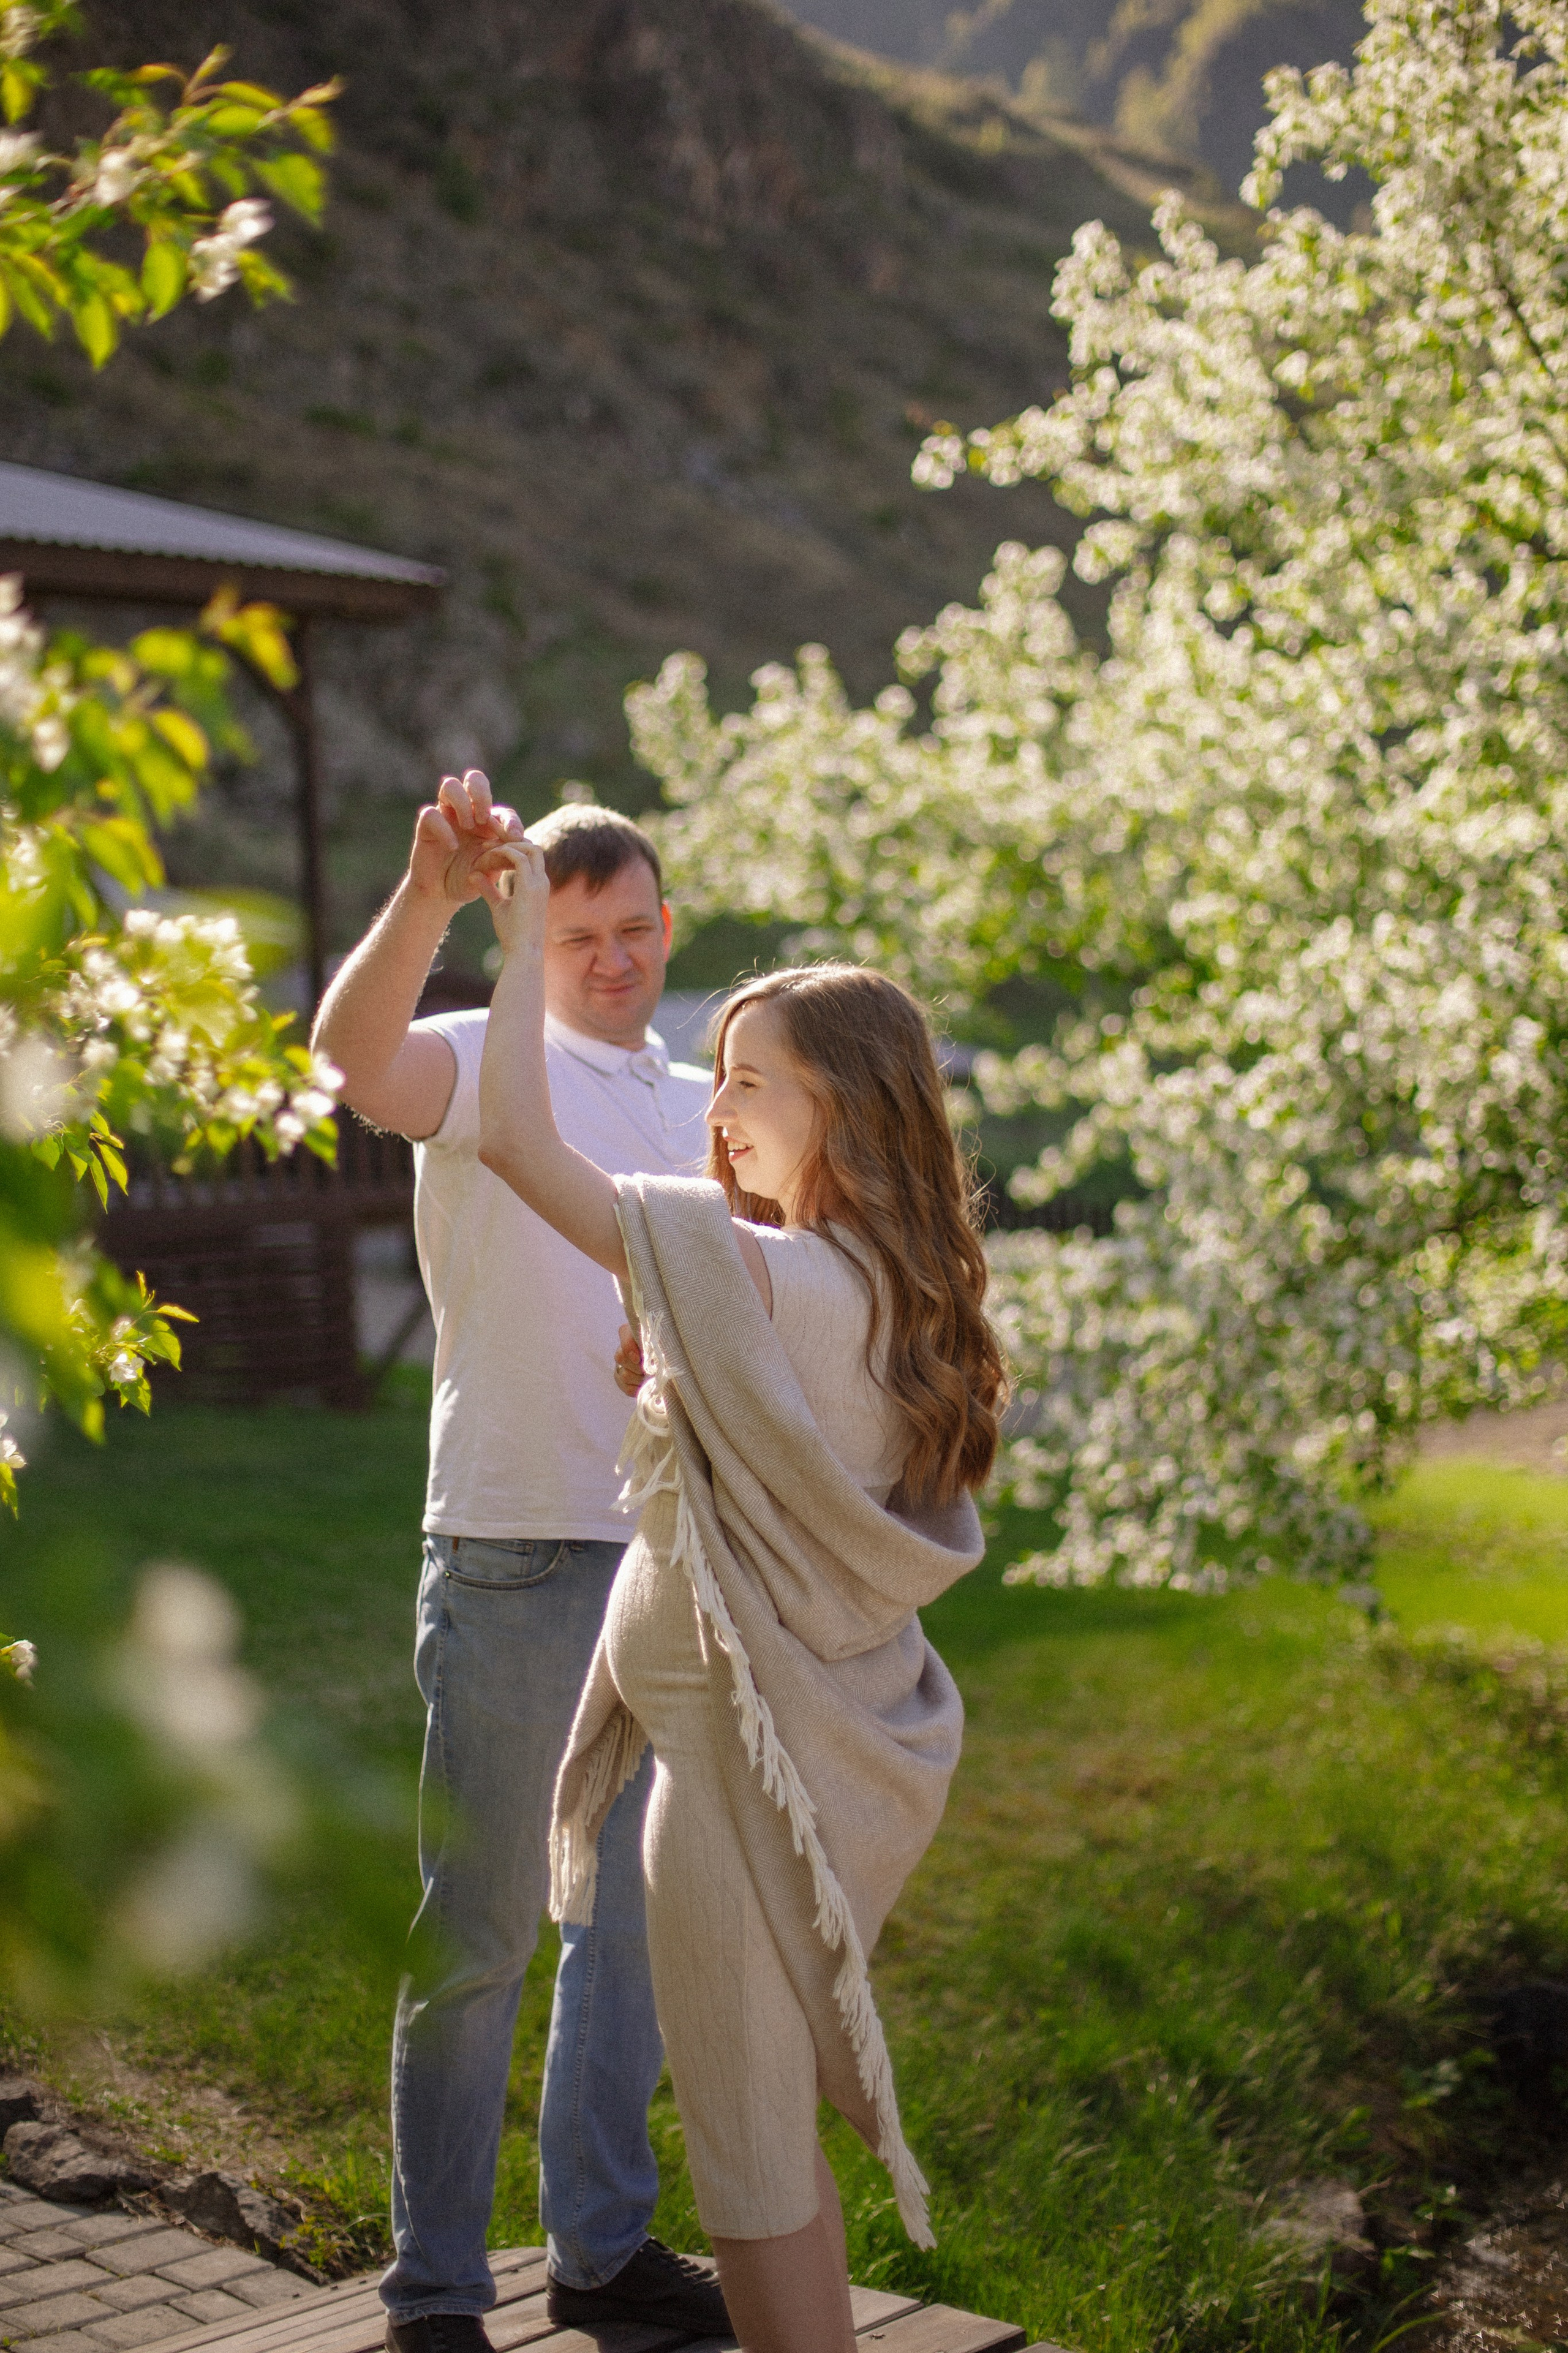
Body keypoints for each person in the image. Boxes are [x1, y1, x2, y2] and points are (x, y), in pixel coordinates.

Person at [474, 836, 1007, 2353]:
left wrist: (518, 942)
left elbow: (511, 1136)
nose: (714, 1112)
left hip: (729, 1789)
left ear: (841, 1101)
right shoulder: (884, 1286)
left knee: (748, 2160)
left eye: (748, 1080)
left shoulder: (766, 1274)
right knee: (766, 2130)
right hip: (779, 1763)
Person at [311, 776, 731, 2352]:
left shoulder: (698, 1098)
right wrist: (427, 896)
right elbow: (348, 1059)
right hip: (507, 1549)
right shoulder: (485, 1053)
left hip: (668, 1560)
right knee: (479, 1931)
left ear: (664, 928)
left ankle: (600, 2249)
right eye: (576, 932)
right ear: (527, 935)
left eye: (633, 930)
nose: (610, 958)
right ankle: (432, 2289)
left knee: (625, 1937)